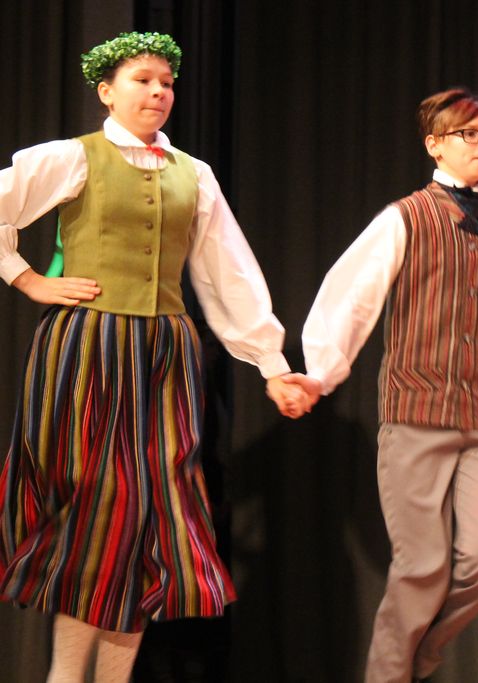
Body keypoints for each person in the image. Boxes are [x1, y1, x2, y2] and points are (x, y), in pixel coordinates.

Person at [0, 32, 301, 682]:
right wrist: (26, 278)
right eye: (143, 79)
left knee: (149, 519)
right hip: (88, 348)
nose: (159, 91)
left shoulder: (194, 174)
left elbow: (228, 273)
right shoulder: (73, 157)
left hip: (165, 354)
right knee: (97, 510)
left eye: (167, 82)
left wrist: (273, 365)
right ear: (107, 92)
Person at [285, 88, 478, 683]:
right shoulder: (405, 217)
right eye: (467, 134)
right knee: (421, 568)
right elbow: (352, 297)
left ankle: (424, 649)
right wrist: (320, 373)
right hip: (416, 414)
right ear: (435, 145)